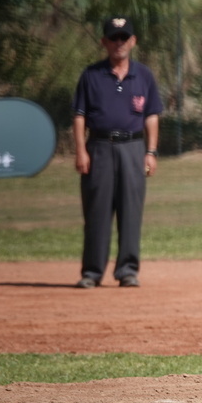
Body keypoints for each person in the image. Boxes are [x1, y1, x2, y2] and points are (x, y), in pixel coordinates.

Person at [72, 16, 163, 289]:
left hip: (133, 148)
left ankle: (127, 270)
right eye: (114, 38)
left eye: (124, 37)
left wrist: (151, 151)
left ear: (133, 41)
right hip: (99, 147)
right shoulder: (91, 75)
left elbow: (152, 117)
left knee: (131, 211)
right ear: (104, 42)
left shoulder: (144, 76)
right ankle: (92, 271)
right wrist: (80, 151)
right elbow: (79, 117)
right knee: (97, 212)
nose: (119, 43)